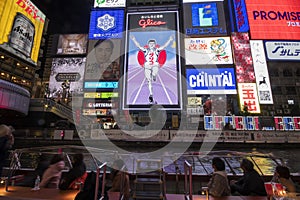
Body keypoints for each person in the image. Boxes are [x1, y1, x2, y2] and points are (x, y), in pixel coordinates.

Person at [130, 35, 174, 103]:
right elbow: (138, 46)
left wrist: (170, 40)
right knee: (149, 81)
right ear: (148, 45)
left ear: (155, 45)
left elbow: (164, 46)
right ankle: (151, 94)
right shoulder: (145, 50)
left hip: (154, 65)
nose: (151, 45)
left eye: (153, 44)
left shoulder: (157, 50)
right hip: (147, 65)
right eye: (150, 44)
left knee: (154, 73)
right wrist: (134, 39)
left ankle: (154, 75)